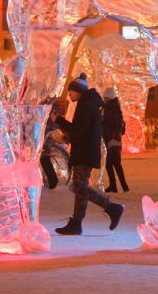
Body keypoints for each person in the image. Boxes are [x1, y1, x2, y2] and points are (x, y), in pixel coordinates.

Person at [55, 73, 125, 235]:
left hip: (85, 152)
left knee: (78, 186)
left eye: (71, 91)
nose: (69, 94)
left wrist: (58, 120)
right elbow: (81, 130)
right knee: (81, 187)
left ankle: (112, 208)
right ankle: (76, 223)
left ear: (78, 90)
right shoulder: (89, 103)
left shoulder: (85, 105)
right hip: (86, 151)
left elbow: (78, 130)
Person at [102, 88, 129, 193]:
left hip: (111, 140)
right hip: (114, 140)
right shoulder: (115, 108)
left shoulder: (110, 108)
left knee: (114, 163)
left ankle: (122, 186)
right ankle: (116, 185)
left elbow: (115, 125)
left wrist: (111, 137)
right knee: (110, 163)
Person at [39, 98, 67, 189]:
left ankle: (53, 180)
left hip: (48, 135)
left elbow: (53, 122)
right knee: (45, 157)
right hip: (49, 134)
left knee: (44, 158)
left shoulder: (51, 107)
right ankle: (51, 179)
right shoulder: (55, 106)